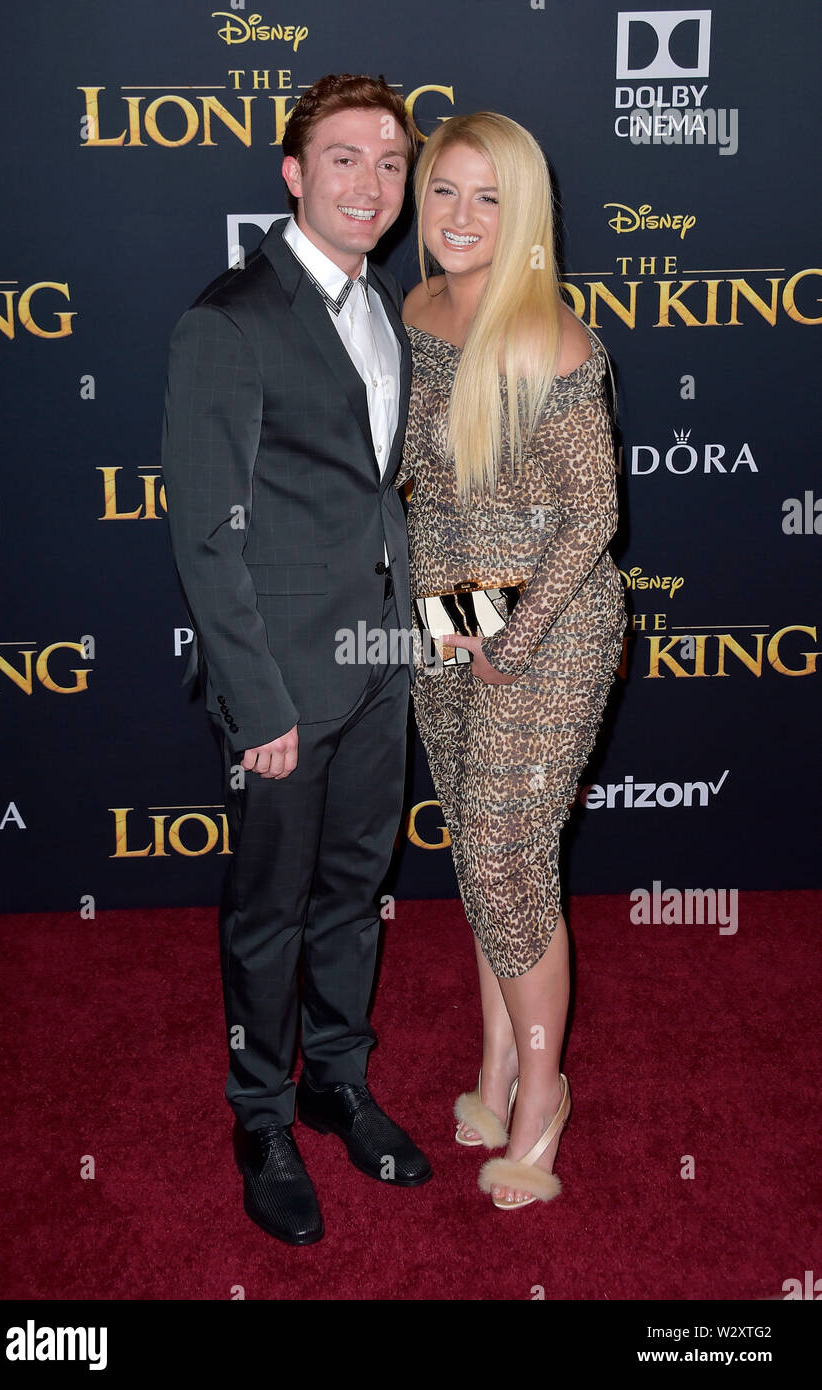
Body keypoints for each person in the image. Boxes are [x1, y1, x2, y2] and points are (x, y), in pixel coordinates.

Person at [161, 74, 431, 1247]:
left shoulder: (388, 307)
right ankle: (260, 1114)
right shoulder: (230, 317)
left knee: (354, 894)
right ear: (292, 172)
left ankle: (336, 1078)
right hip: (282, 685)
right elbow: (203, 534)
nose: (369, 184)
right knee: (268, 910)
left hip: (380, 670)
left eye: (387, 163)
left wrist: (437, 636)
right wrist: (253, 697)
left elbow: (382, 502)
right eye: (342, 160)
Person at [400, 112, 626, 1210]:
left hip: (551, 616)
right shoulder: (417, 306)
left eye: (487, 197)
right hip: (449, 606)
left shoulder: (550, 336)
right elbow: (415, 477)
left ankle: (542, 1097)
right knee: (476, 854)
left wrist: (515, 637)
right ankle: (490, 1067)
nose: (457, 216)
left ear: (524, 213)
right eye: (443, 189)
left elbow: (592, 516)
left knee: (505, 857)